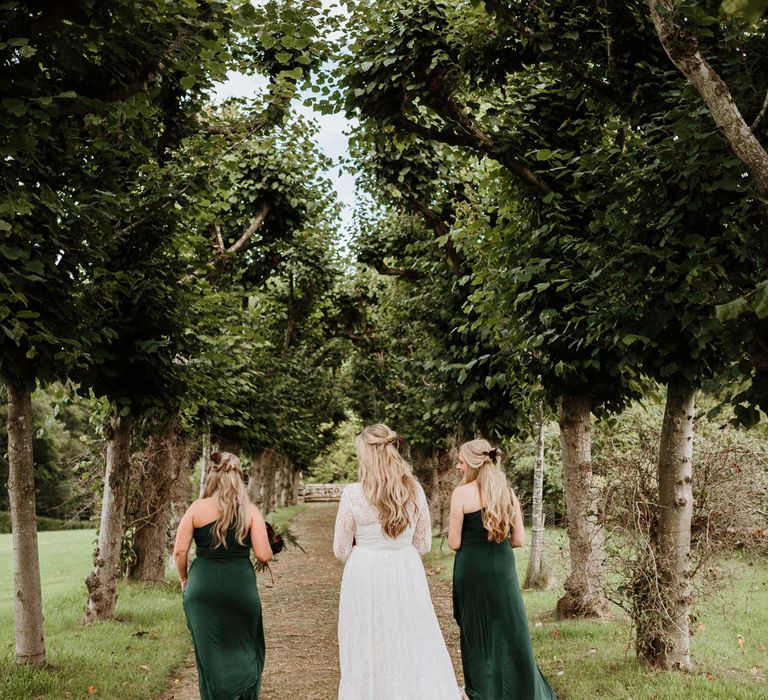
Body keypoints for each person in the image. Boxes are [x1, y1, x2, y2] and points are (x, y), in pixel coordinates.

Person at [333, 423, 463, 700]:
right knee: (410, 635)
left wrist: (365, 545)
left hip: (365, 571)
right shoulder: (414, 490)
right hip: (406, 569)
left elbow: (340, 549)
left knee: (367, 635)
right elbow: (423, 544)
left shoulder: (353, 493)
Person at [449, 439, 556, 700]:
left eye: (461, 461)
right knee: (510, 629)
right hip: (503, 570)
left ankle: (483, 692)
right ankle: (522, 691)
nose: (458, 466)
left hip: (472, 571)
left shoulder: (461, 494)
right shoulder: (507, 494)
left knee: (477, 632)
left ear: (473, 463)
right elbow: (519, 539)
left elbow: (454, 542)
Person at [174, 451, 272, 700]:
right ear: (240, 479)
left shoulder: (196, 509)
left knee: (209, 652)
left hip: (202, 587)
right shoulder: (250, 512)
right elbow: (263, 555)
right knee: (245, 645)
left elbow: (180, 551)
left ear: (212, 478)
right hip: (240, 587)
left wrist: (185, 579)